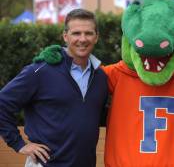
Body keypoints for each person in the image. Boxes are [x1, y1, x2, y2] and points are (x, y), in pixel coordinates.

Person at [0, 9, 108, 167]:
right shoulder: (40, 71)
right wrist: (19, 144)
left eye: (88, 33)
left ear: (96, 37)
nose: (83, 39)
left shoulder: (101, 77)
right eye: (76, 33)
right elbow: (2, 104)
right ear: (65, 36)